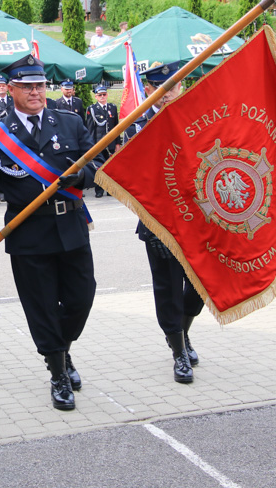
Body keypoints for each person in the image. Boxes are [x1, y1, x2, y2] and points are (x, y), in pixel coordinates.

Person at [0, 54, 99, 411]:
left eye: (40, 85)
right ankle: (58, 372)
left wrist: (83, 176)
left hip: (71, 226)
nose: (36, 92)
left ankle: (63, 350)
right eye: (27, 86)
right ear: (10, 90)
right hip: (27, 234)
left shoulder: (68, 122)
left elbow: (99, 165)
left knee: (82, 297)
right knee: (40, 306)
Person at [130, 62, 203, 383]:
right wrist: (151, 224)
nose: (169, 93)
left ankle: (184, 333)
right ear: (150, 91)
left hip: (199, 220)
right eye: (162, 87)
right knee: (168, 289)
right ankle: (178, 351)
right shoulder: (137, 126)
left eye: (175, 86)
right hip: (159, 222)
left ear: (183, 87)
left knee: (199, 289)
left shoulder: (199, 120)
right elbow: (136, 181)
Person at [85, 84, 119, 197]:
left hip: (111, 144)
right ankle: (99, 190)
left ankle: (110, 190)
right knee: (99, 168)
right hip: (98, 143)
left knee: (111, 168)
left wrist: (118, 143)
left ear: (107, 95)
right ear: (96, 96)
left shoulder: (112, 107)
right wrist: (91, 145)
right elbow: (90, 129)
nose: (102, 97)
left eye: (104, 94)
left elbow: (116, 127)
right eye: (100, 95)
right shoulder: (92, 109)